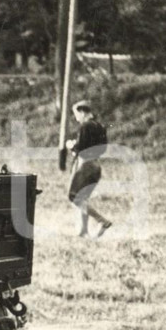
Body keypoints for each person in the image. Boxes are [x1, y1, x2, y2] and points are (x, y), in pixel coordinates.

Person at [65, 100, 112, 238]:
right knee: (83, 198)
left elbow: (80, 147)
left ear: (82, 112)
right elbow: (103, 149)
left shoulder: (85, 126)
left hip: (85, 164)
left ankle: (102, 221)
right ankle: (83, 231)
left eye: (76, 115)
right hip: (96, 165)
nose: (76, 118)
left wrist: (71, 145)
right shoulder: (100, 126)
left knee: (73, 196)